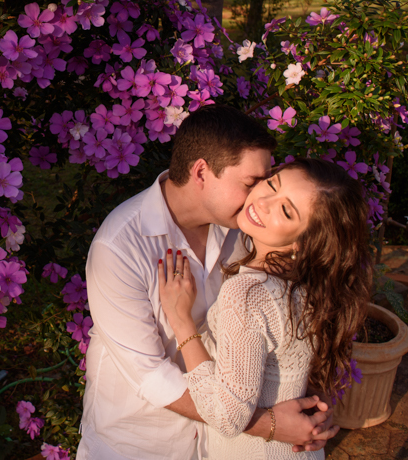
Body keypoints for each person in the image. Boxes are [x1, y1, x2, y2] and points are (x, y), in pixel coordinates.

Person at [78, 105, 338, 460]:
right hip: (140, 443)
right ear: (202, 171)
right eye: (251, 182)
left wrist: (312, 408)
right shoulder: (120, 246)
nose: (259, 198)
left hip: (216, 447)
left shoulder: (247, 231)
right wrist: (270, 425)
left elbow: (286, 323)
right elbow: (150, 375)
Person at [158, 158, 373, 459]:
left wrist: (181, 321)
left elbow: (227, 417)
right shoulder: (315, 285)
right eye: (272, 184)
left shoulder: (248, 293)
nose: (264, 202)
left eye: (286, 211)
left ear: (304, 241)